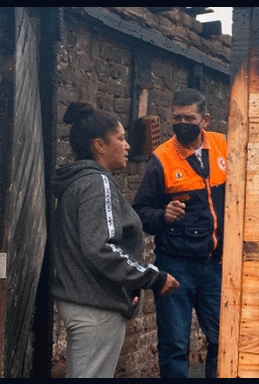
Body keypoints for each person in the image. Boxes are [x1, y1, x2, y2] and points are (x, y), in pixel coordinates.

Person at [51, 102, 180, 378]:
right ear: (99, 145)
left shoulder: (78, 182)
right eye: (120, 139)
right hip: (96, 306)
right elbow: (101, 247)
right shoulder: (97, 184)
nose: (128, 146)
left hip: (83, 302)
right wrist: (153, 277)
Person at [132, 88, 227, 378]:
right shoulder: (161, 159)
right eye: (177, 117)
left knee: (223, 340)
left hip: (215, 264)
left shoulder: (223, 146)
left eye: (189, 117)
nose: (182, 122)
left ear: (205, 120)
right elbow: (140, 212)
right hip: (176, 265)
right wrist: (163, 216)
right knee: (174, 344)